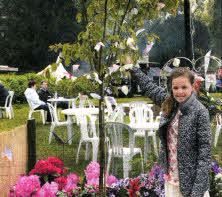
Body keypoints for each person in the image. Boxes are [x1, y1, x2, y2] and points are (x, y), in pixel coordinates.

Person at [130, 66, 212, 197]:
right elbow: (149, 87)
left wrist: (197, 191)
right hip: (172, 180)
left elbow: (205, 154)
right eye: (175, 88)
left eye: (184, 87)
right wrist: (132, 68)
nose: (179, 92)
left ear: (192, 86)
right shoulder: (169, 103)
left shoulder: (200, 112)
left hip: (191, 184)